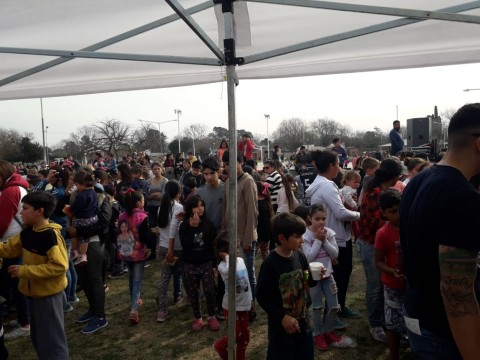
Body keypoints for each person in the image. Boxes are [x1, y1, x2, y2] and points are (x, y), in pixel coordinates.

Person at [400, 104, 480, 360]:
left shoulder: (420, 180)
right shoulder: (462, 197)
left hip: (419, 318)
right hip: (445, 336)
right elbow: (457, 293)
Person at [0, 192, 69, 359]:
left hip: (49, 296)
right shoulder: (28, 233)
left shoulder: (50, 235)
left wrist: (24, 271)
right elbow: (8, 248)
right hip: (34, 295)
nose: (21, 212)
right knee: (40, 339)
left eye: (25, 208)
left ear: (40, 211)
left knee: (53, 343)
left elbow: (59, 266)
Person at [305, 150, 360, 328]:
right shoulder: (327, 186)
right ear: (331, 166)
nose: (340, 167)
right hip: (334, 237)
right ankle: (333, 313)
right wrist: (360, 215)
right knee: (339, 277)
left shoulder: (323, 184)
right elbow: (340, 212)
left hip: (333, 235)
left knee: (342, 275)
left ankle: (340, 306)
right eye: (338, 163)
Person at [256, 212, 316, 360]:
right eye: (297, 237)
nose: (302, 241)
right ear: (282, 238)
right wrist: (282, 317)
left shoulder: (299, 255)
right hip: (282, 333)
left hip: (304, 326)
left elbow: (306, 274)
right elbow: (262, 296)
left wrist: (312, 277)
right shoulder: (270, 263)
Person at [358, 158, 403, 342]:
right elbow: (375, 223)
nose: (398, 180)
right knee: (375, 285)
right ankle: (375, 323)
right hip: (370, 243)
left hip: (381, 242)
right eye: (397, 177)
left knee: (384, 284)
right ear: (391, 176)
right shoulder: (373, 193)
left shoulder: (387, 191)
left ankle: (386, 319)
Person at [301, 204, 356, 350]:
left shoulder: (329, 233)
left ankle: (328, 331)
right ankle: (317, 334)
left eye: (323, 219)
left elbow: (335, 254)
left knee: (333, 306)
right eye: (317, 219)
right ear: (309, 219)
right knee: (317, 307)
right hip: (313, 278)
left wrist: (325, 240)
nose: (320, 222)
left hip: (328, 275)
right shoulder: (305, 236)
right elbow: (309, 258)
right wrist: (318, 240)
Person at [222, 149, 259, 323]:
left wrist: (248, 240)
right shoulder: (229, 182)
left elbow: (252, 212)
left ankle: (251, 306)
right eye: (225, 164)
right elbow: (227, 210)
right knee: (236, 273)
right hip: (231, 237)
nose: (228, 167)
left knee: (248, 274)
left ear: (240, 162)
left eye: (231, 163)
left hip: (245, 237)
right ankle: (241, 305)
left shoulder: (248, 181)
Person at [0, 160, 30, 340]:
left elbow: (2, 222)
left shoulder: (11, 190)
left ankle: (26, 323)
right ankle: (23, 318)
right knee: (16, 284)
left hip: (12, 244)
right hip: (14, 241)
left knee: (18, 285)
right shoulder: (15, 187)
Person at [180, 195, 220, 331]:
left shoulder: (209, 224)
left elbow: (213, 246)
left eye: (202, 205)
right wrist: (192, 228)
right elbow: (186, 245)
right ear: (190, 209)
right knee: (193, 292)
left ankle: (211, 316)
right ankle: (198, 317)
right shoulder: (184, 225)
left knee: (209, 290)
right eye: (196, 206)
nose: (200, 208)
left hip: (206, 263)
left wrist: (214, 265)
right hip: (190, 264)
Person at [374, 189, 406, 360]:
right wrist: (393, 271)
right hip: (392, 285)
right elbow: (378, 261)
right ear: (384, 213)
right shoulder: (383, 233)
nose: (398, 215)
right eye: (392, 212)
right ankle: (394, 355)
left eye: (400, 209)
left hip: (412, 283)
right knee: (392, 323)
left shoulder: (412, 226)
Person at [213, 232, 252, 360]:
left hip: (244, 304)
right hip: (231, 306)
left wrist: (251, 299)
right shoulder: (222, 267)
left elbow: (246, 280)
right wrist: (228, 258)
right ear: (224, 252)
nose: (238, 250)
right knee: (235, 335)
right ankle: (219, 346)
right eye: (234, 248)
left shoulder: (240, 260)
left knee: (245, 336)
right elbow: (232, 271)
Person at [196, 157, 226, 320]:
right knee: (207, 272)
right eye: (205, 173)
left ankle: (222, 305)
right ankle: (210, 303)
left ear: (219, 172)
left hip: (223, 238)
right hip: (205, 238)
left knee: (222, 273)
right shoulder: (200, 192)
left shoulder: (227, 189)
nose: (208, 177)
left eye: (212, 173)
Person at [116, 189, 150, 324]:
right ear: (138, 203)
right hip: (138, 252)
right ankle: (134, 309)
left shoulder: (121, 216)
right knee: (137, 280)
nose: (144, 202)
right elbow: (145, 236)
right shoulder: (141, 217)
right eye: (142, 200)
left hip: (125, 251)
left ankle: (134, 300)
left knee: (131, 277)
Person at [156, 180, 184, 322]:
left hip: (162, 246)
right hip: (176, 248)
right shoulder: (179, 208)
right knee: (182, 274)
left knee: (164, 278)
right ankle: (184, 298)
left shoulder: (161, 207)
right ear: (179, 193)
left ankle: (161, 309)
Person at [66, 170, 99, 266]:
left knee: (74, 234)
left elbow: (76, 207)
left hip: (81, 219)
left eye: (77, 184)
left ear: (82, 184)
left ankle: (75, 251)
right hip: (93, 218)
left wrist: (70, 209)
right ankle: (83, 255)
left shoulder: (82, 194)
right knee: (85, 237)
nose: (76, 187)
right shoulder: (93, 192)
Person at [146, 162, 168, 263]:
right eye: (154, 169)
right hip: (151, 207)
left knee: (162, 229)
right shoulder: (149, 181)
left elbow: (164, 195)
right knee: (152, 229)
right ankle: (153, 253)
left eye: (158, 168)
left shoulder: (165, 180)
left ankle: (164, 252)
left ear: (161, 169)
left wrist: (153, 195)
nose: (157, 171)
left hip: (161, 208)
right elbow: (146, 194)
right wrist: (154, 195)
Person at [256, 181, 274, 257]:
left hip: (259, 233)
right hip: (267, 232)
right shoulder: (266, 201)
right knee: (265, 252)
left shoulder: (257, 203)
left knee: (253, 253)